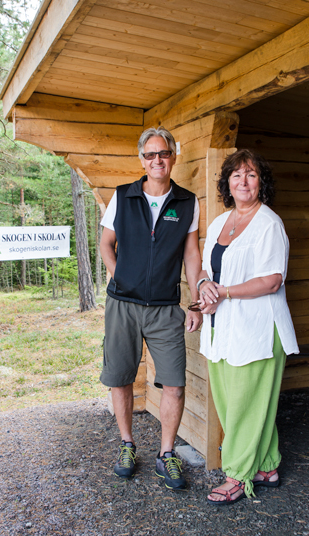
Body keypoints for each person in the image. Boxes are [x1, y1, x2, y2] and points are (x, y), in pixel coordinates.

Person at [99, 126, 202, 490]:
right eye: (150, 154)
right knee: (120, 377)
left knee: (173, 383)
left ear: (173, 156)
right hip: (122, 305)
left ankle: (165, 454)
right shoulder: (123, 196)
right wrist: (120, 278)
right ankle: (127, 445)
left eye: (164, 153)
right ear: (142, 159)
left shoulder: (188, 202)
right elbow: (105, 244)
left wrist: (195, 301)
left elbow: (191, 254)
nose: (157, 160)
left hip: (164, 308)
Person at [197, 149, 299, 505]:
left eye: (251, 174)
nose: (243, 181)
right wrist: (204, 287)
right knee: (232, 401)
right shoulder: (219, 223)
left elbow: (272, 280)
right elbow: (208, 269)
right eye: (236, 174)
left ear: (261, 184)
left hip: (257, 330)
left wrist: (223, 291)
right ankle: (267, 466)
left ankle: (238, 476)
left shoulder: (269, 223)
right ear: (228, 182)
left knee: (245, 404)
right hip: (222, 327)